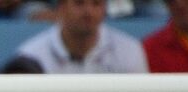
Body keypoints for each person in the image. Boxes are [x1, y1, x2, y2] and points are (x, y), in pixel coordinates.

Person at [15, 0, 146, 73]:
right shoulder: (32, 54)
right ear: (62, 7)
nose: (88, 12)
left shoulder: (129, 50)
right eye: (79, 3)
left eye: (96, 3)